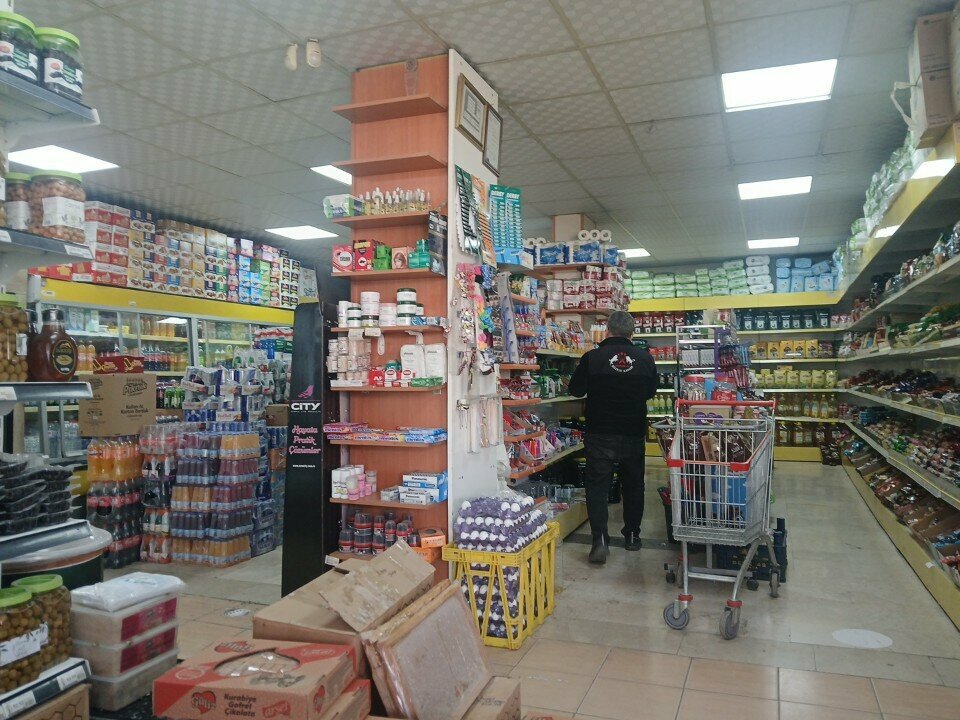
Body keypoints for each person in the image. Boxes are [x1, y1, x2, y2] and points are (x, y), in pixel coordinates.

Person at [568, 310, 658, 564]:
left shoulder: (592, 358)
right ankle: (632, 535)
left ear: (607, 330)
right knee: (634, 484)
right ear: (632, 333)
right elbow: (650, 392)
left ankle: (600, 540)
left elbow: (575, 390)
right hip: (632, 431)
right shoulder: (645, 359)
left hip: (600, 432)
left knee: (597, 485)